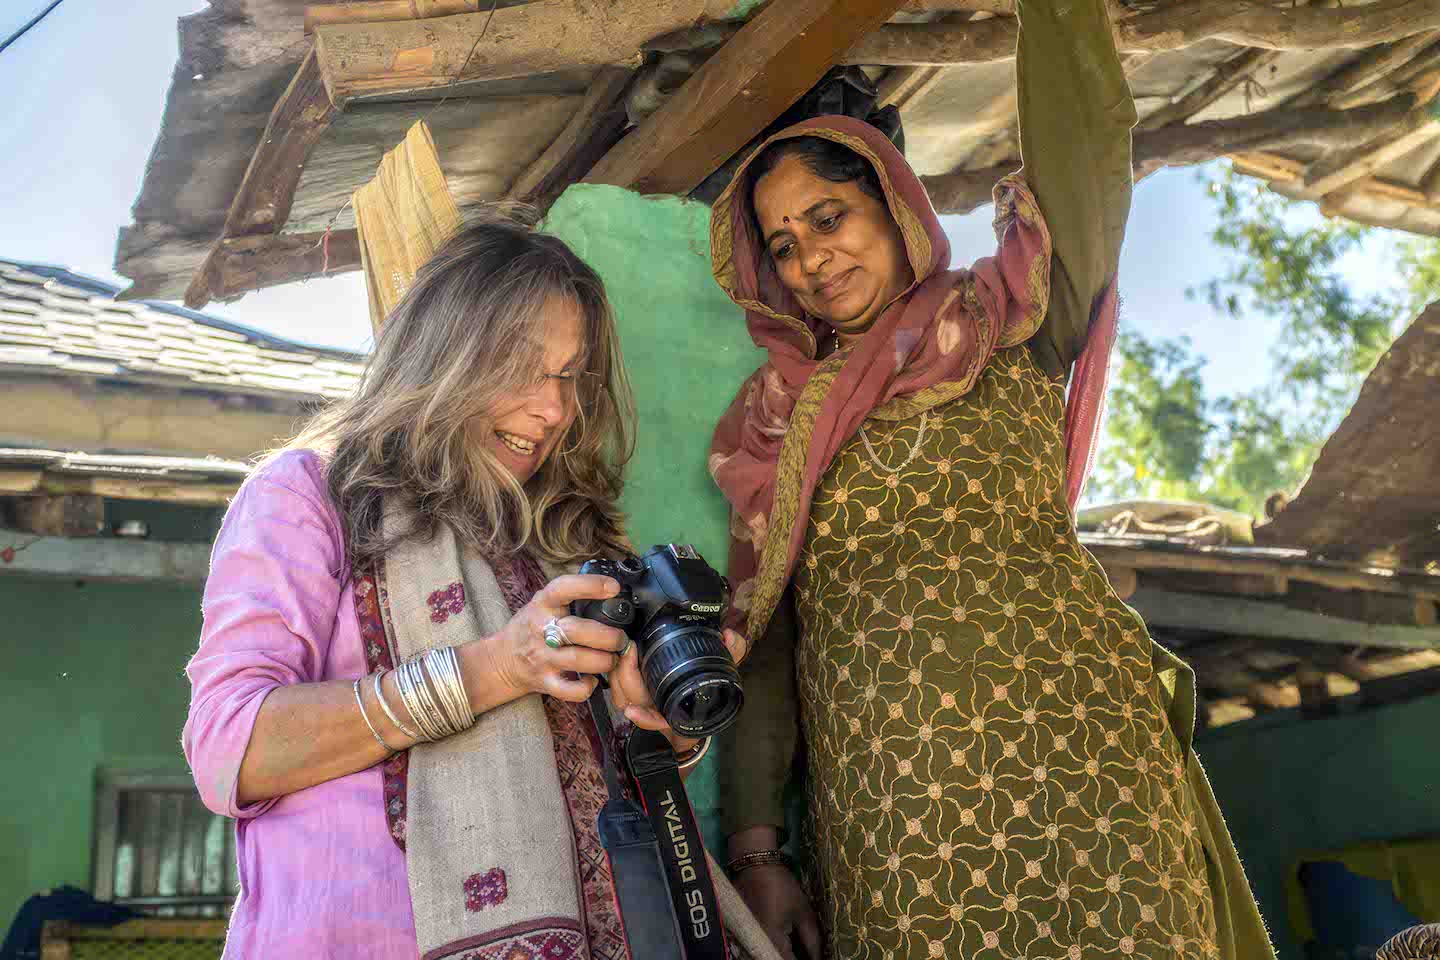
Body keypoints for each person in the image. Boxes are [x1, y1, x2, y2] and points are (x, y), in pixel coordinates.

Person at [706, 1, 1276, 958]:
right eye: (784, 245)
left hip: (1087, 774)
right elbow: (767, 637)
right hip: (899, 820)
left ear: (894, 202)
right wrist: (758, 852)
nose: (810, 260)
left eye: (828, 217)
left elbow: (1087, 160)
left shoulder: (1010, 320)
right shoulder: (776, 419)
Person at [183, 214, 760, 959]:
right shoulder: (311, 496)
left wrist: (661, 726)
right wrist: (494, 669)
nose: (553, 409)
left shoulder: (573, 540)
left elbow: (609, 776)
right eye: (522, 366)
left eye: (569, 377)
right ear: (444, 354)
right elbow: (231, 747)